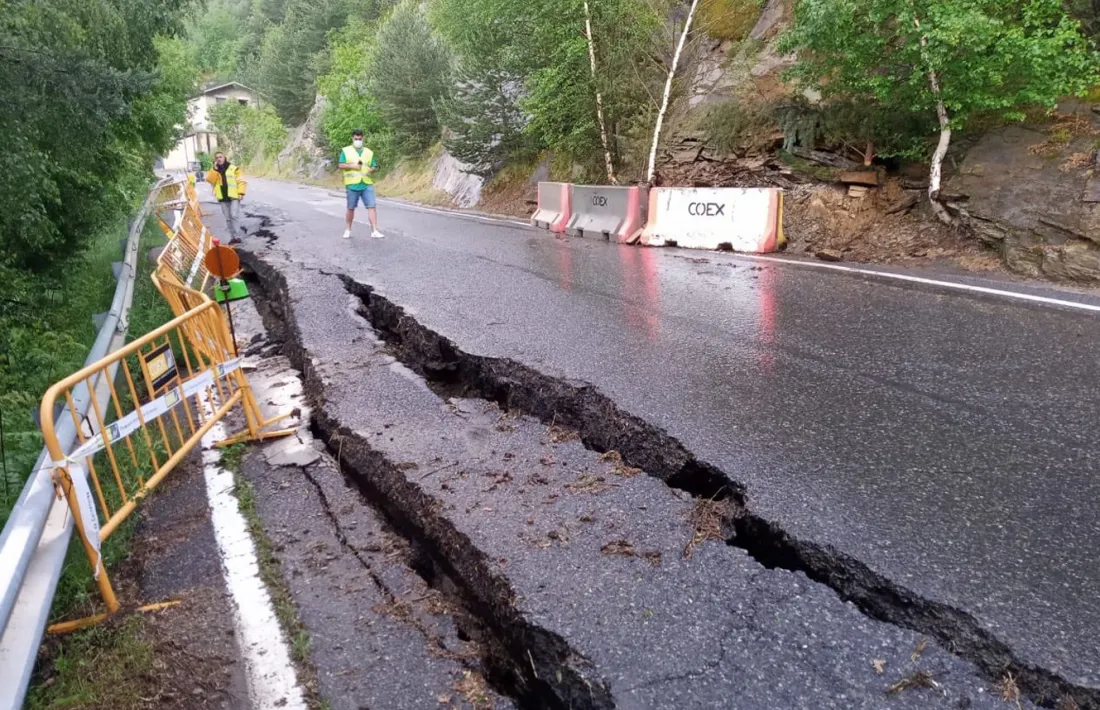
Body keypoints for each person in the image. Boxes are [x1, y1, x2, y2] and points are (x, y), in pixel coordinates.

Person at [338, 129, 383, 239]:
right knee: (351, 208)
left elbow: (374, 165)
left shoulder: (369, 152)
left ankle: (374, 231)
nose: (358, 140)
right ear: (352, 138)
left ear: (363, 138)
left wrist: (371, 169)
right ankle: (348, 229)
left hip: (366, 183)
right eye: (356, 139)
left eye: (360, 139)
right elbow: (340, 165)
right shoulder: (346, 151)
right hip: (352, 185)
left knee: (371, 206)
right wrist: (352, 166)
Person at [205, 152, 247, 240]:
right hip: (222, 198)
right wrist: (214, 169)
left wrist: (241, 193)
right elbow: (210, 180)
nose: (219, 159)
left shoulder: (233, 168)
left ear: (225, 158)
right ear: (215, 160)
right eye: (217, 158)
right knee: (228, 218)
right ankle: (233, 237)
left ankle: (237, 236)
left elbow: (241, 180)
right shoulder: (215, 170)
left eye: (220, 157)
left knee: (234, 215)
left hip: (234, 196)